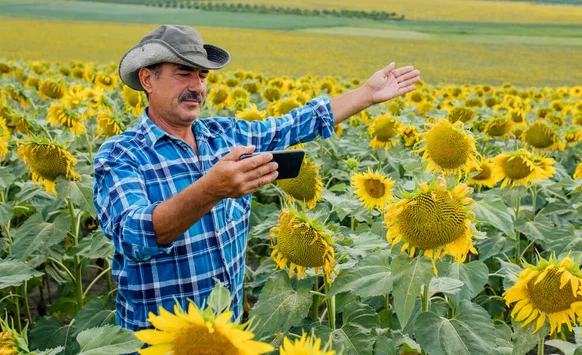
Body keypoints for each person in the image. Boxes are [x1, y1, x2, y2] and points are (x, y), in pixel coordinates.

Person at [93, 24, 420, 332]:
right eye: (183, 74)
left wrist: (366, 93)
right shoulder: (122, 154)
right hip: (158, 339)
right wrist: (211, 189)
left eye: (203, 75)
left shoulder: (224, 135)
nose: (197, 86)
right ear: (148, 79)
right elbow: (134, 235)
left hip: (227, 333)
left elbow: (294, 124)